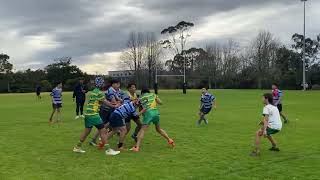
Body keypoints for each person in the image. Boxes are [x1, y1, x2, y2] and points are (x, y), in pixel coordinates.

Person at [73, 77, 120, 155]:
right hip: (93, 115)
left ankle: (77, 147)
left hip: (88, 114)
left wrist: (114, 104)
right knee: (103, 131)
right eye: (103, 83)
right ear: (101, 84)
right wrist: (115, 106)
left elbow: (101, 102)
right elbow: (106, 103)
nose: (104, 84)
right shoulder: (99, 93)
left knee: (86, 132)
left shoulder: (94, 91)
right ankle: (108, 150)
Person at [130, 88, 175, 152]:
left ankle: (136, 147)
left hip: (148, 113)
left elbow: (137, 107)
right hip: (156, 113)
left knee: (142, 130)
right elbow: (161, 102)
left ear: (142, 92)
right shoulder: (153, 94)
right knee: (158, 129)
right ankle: (169, 140)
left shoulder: (141, 97)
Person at [89, 79, 121, 146]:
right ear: (113, 84)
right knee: (102, 126)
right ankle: (95, 139)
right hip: (106, 110)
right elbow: (112, 101)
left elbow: (116, 100)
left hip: (109, 109)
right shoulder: (110, 90)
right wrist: (117, 104)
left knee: (106, 125)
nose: (118, 85)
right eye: (117, 84)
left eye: (119, 84)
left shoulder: (115, 90)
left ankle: (103, 137)